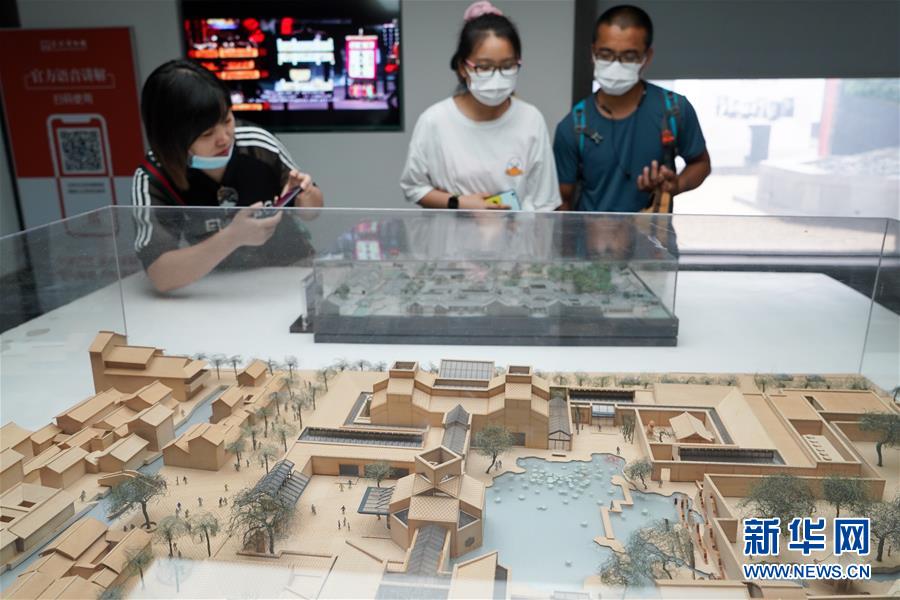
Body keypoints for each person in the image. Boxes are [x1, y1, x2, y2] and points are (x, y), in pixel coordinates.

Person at [132, 60, 324, 292]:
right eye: (207, 134)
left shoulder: (256, 143)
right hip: (216, 289)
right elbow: (160, 275)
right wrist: (233, 237)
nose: (224, 138)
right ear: (170, 139)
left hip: (291, 275)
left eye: (227, 120)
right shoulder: (153, 178)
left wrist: (305, 196)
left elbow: (313, 211)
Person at [400, 1, 561, 211]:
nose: (497, 76)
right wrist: (459, 203)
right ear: (463, 67)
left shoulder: (531, 119)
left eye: (507, 66)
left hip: (517, 232)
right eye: (484, 67)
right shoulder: (435, 121)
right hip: (451, 233)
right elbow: (414, 187)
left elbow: (545, 202)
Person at [553, 5, 710, 213]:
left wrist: (677, 185)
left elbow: (701, 163)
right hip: (591, 234)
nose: (616, 64)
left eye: (629, 56)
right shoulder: (573, 126)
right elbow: (562, 201)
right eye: (606, 54)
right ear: (593, 52)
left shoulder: (673, 110)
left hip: (654, 233)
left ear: (647, 57)